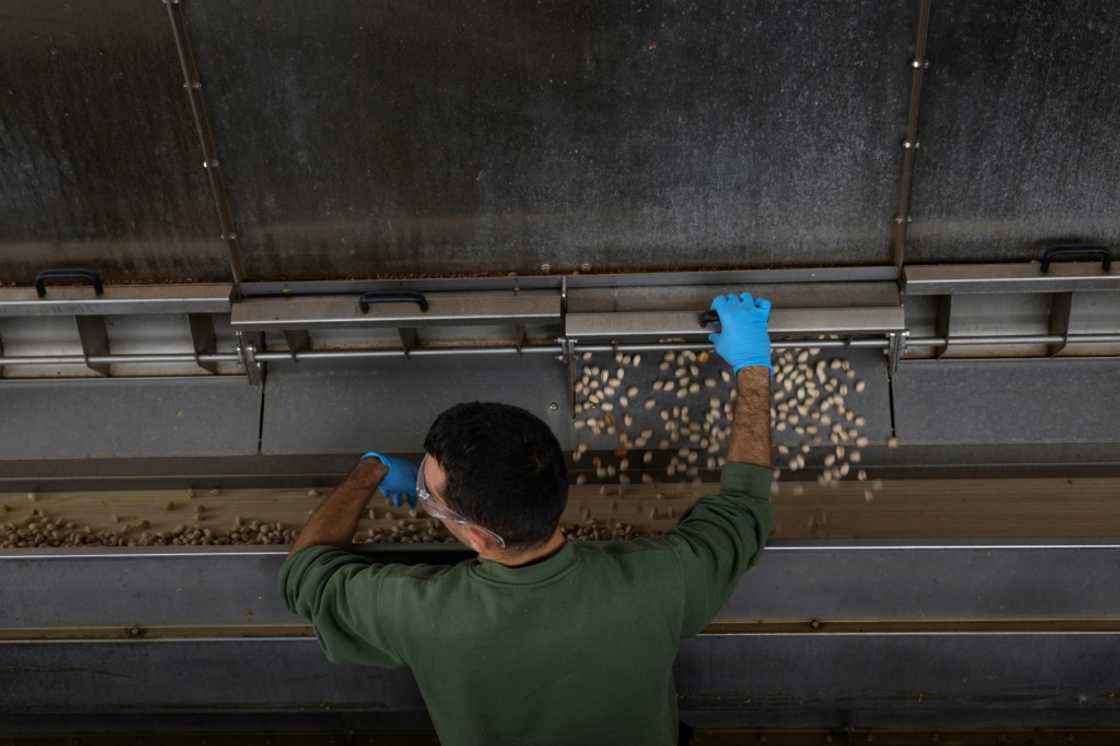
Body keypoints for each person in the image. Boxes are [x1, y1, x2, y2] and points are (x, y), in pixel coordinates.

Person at [280, 291, 774, 746]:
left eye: (428, 496)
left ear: (478, 536)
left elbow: (305, 575)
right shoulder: (660, 581)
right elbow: (743, 509)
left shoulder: (424, 615)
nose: (424, 496)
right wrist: (753, 364)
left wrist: (370, 471)